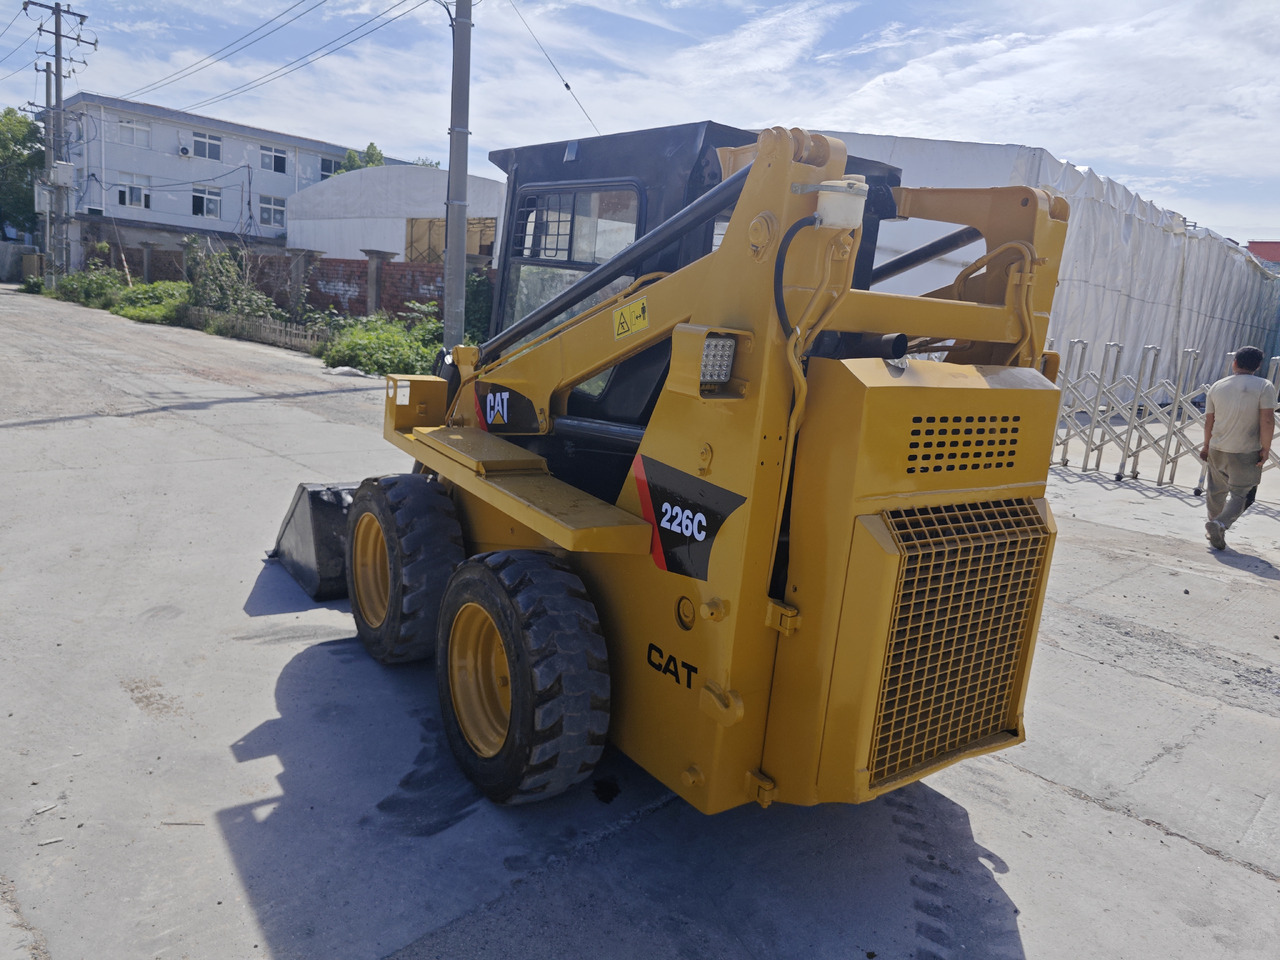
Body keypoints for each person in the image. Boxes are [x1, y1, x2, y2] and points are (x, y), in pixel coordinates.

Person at [1199, 345, 1276, 550]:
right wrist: (1266, 448)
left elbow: (1209, 421)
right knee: (1243, 494)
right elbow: (1267, 420)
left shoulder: (1217, 386)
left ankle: (1212, 528)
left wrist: (1206, 445)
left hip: (1218, 446)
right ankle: (1220, 524)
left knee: (1216, 491)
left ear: (1234, 362)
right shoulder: (1264, 386)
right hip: (1246, 450)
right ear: (1258, 365)